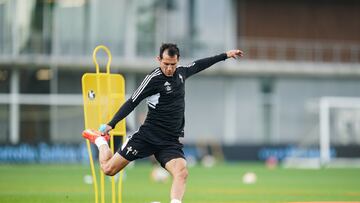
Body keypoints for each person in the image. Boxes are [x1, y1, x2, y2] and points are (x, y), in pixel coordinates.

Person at [83, 43, 243, 203]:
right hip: (147, 137)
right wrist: (112, 123)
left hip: (170, 142)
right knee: (108, 170)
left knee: (182, 172)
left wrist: (225, 55)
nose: (169, 68)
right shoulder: (152, 79)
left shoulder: (181, 73)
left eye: (173, 64)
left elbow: (201, 64)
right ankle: (100, 142)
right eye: (165, 64)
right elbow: (132, 102)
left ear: (178, 60)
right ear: (159, 59)